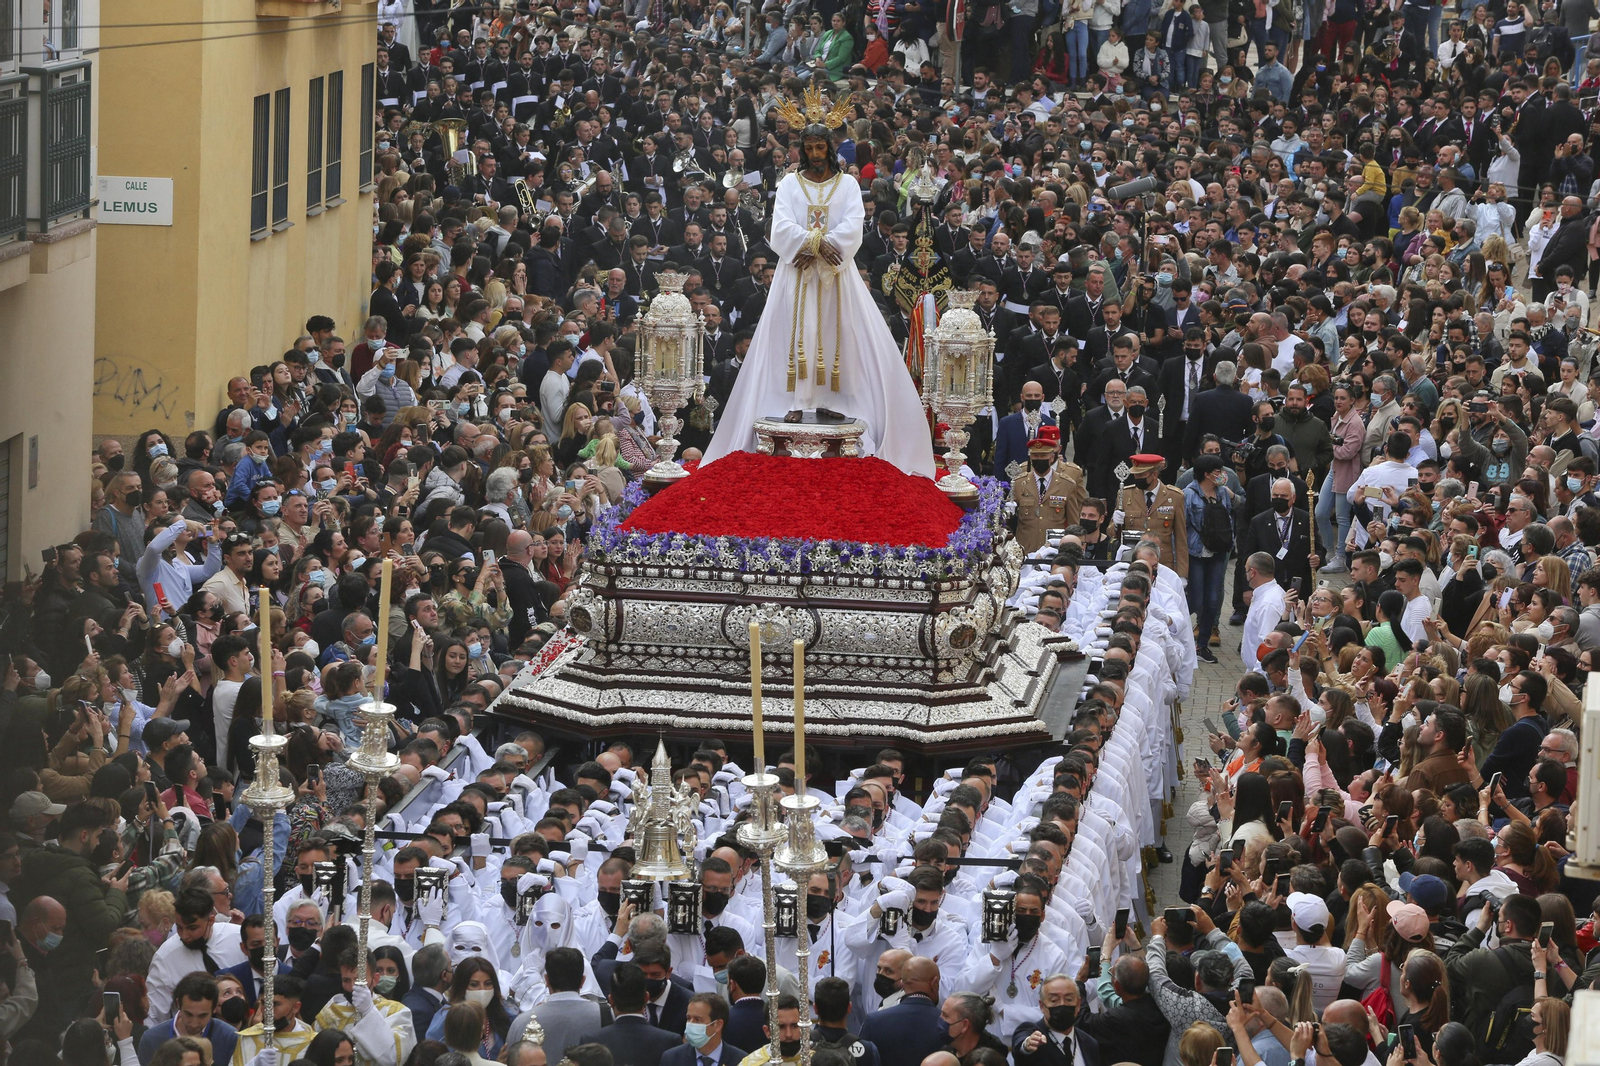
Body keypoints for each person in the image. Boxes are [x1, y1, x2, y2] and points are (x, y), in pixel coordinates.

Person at [700, 94, 935, 479]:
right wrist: (810, 244)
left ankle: (832, 400)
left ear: (829, 146)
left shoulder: (846, 185)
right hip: (797, 273)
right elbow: (780, 225)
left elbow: (853, 222)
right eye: (808, 148)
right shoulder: (791, 183)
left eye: (819, 146)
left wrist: (826, 246)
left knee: (838, 335)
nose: (814, 153)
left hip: (836, 275)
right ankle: (792, 399)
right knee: (793, 337)